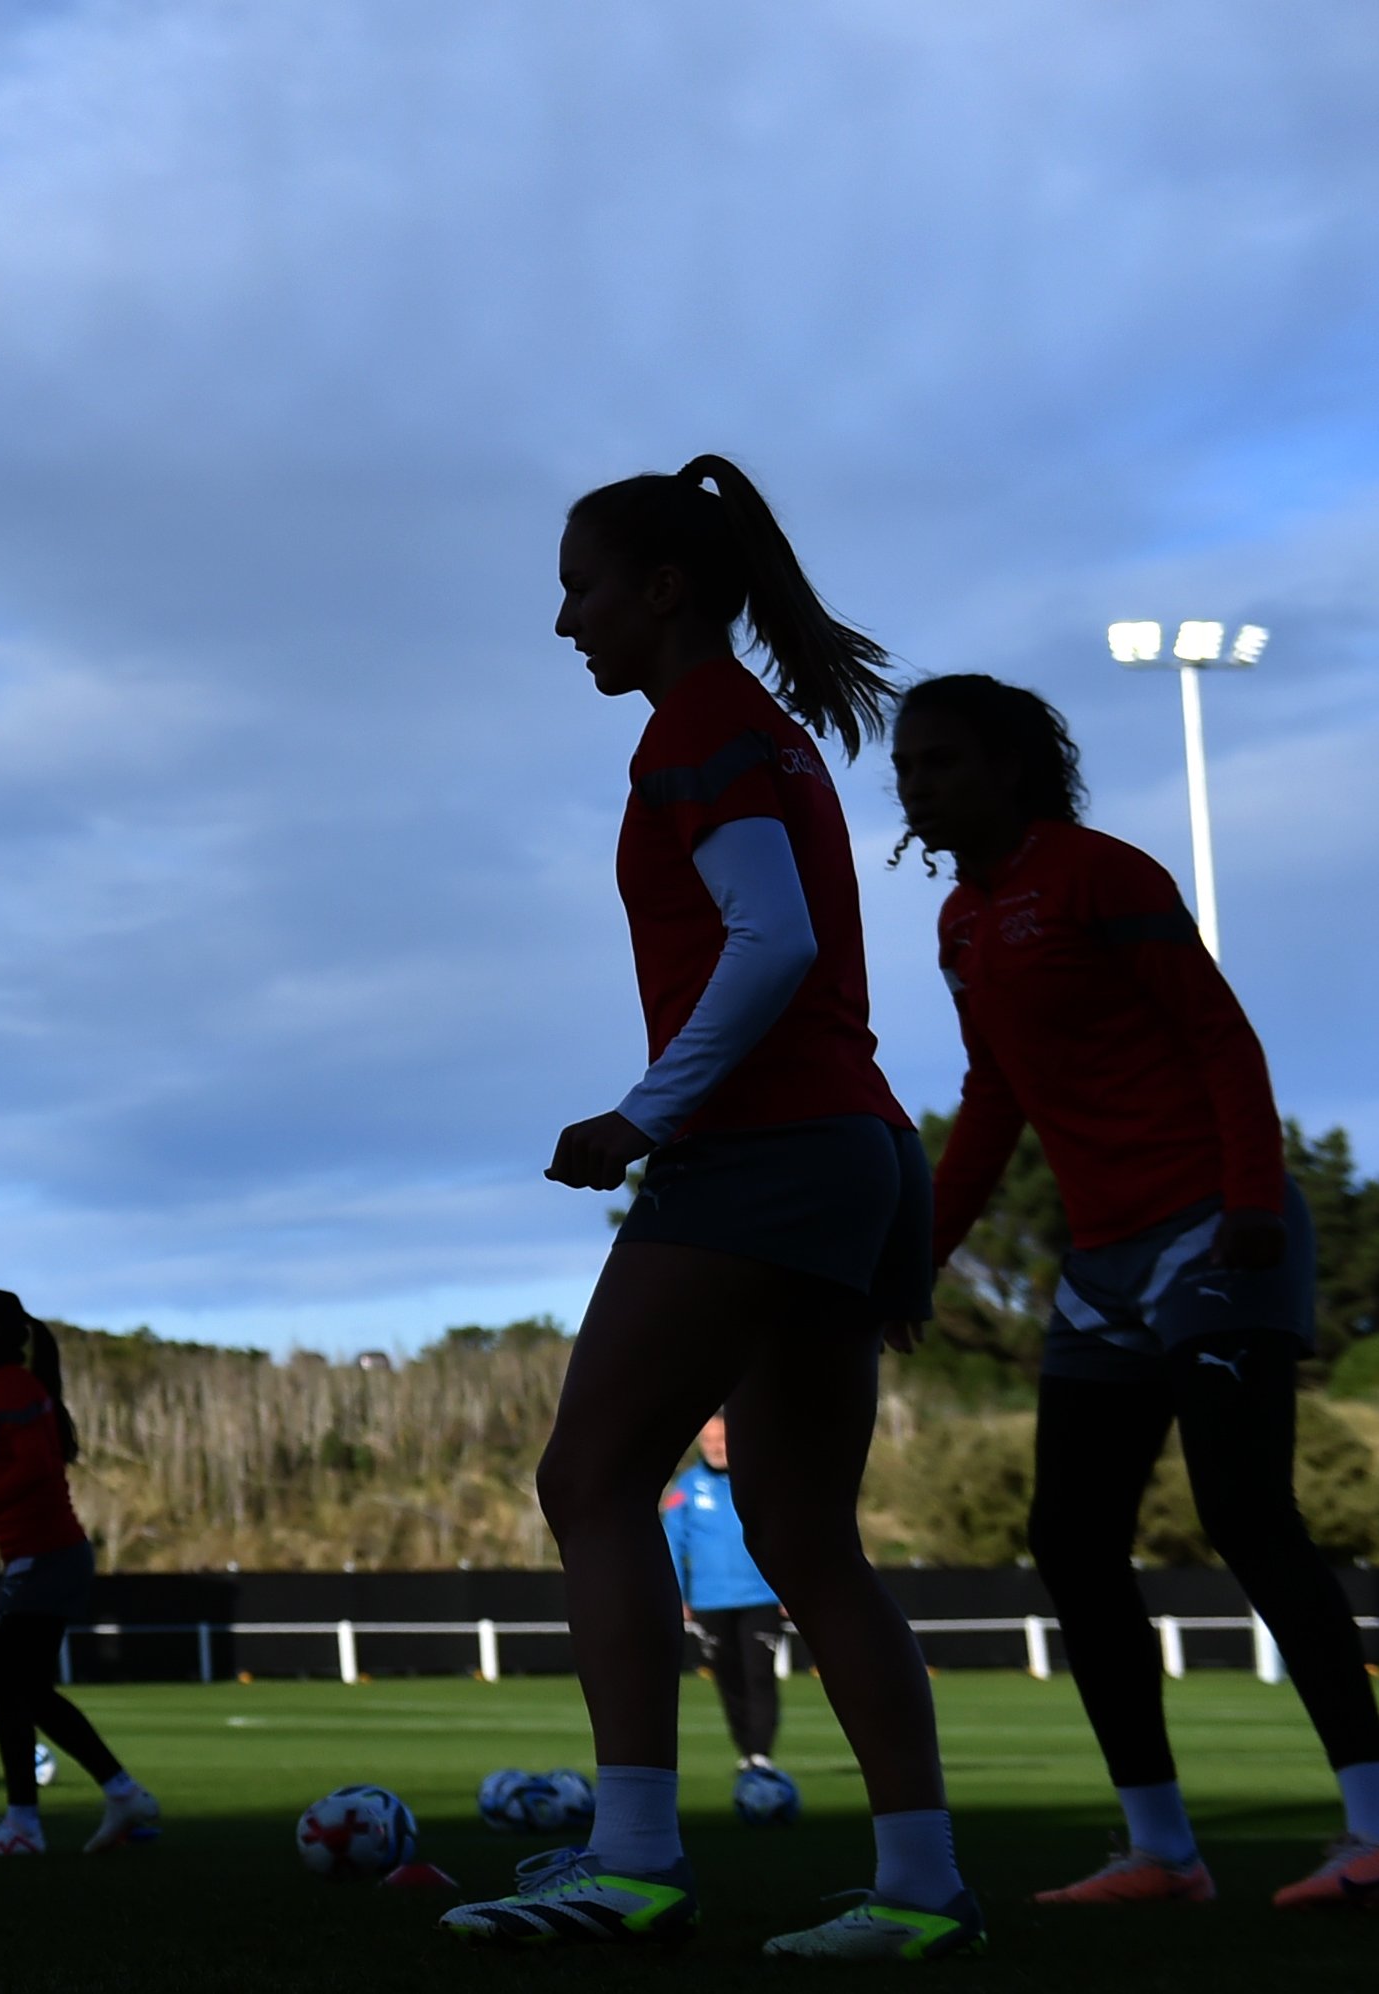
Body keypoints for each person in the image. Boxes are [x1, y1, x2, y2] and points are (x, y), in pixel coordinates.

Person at [440, 459, 980, 1960]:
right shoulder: (773, 735)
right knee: (805, 1535)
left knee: (588, 1479)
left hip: (765, 1148)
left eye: (580, 586)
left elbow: (770, 940)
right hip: (854, 1150)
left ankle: (628, 1860)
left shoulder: (699, 731)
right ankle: (922, 1889)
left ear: (661, 590)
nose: (563, 621)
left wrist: (642, 1113)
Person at [891, 671, 1379, 1911]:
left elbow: (1223, 1038)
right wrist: (920, 1254)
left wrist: (1256, 1210)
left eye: (941, 760)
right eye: (907, 763)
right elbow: (994, 1097)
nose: (915, 783)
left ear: (1011, 766)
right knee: (1068, 1538)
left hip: (1215, 1229)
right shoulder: (957, 924)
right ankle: (1161, 1853)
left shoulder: (1108, 873)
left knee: (1246, 1514)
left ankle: (1374, 1825)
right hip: (1100, 1263)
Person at [0, 1289, 158, 1860]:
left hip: (48, 1557)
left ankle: (28, 1823)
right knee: (24, 1688)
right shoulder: (2, 1387)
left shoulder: (8, 1388)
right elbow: (4, 1484)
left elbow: (31, 1473)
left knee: (7, 1684)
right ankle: (117, 1794)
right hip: (42, 1557)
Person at [661, 1414, 785, 1775]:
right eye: (709, 1441)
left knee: (760, 1675)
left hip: (760, 1596)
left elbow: (785, 1535)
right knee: (729, 1678)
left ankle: (761, 1754)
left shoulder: (762, 1482)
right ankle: (746, 1751)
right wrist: (677, 1594)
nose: (716, 1447)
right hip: (709, 1601)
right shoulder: (685, 1488)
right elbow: (672, 1543)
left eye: (723, 1440)